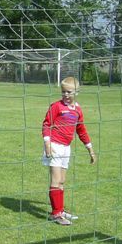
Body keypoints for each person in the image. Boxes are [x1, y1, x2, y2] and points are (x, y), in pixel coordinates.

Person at [42, 76, 96, 225]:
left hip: (66, 148)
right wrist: (47, 144)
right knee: (56, 179)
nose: (66, 95)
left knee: (62, 181)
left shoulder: (77, 110)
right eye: (63, 92)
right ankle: (56, 214)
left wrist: (90, 149)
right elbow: (46, 124)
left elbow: (81, 130)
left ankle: (60, 209)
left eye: (69, 92)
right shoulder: (56, 107)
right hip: (54, 146)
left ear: (77, 92)